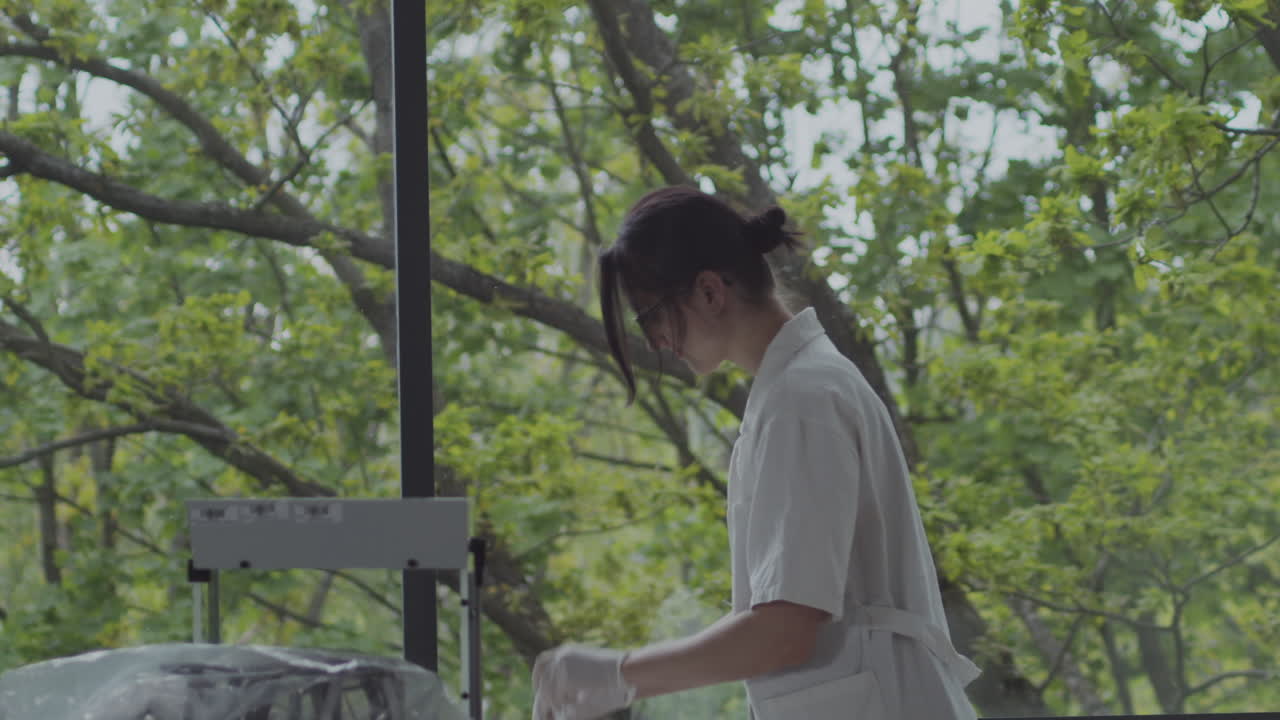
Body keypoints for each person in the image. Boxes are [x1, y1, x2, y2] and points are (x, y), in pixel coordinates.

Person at [531, 186, 980, 719]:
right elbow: (780, 620)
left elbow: (784, 631)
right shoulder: (793, 391)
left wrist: (619, 674)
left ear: (708, 291)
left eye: (650, 315)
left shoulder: (803, 399)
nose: (653, 341)